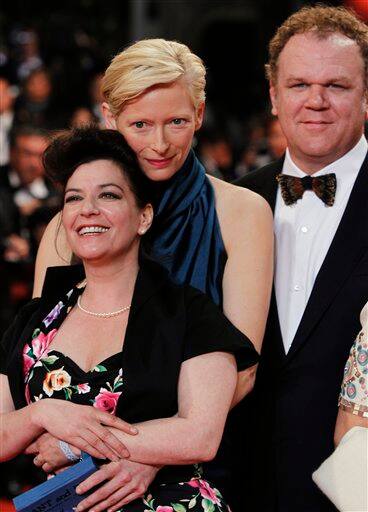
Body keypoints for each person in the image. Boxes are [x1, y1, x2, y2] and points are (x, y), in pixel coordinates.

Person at [32, 38, 273, 511]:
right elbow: (40, 360)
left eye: (176, 122)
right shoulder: (69, 226)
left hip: (196, 472)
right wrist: (97, 448)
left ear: (200, 115)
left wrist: (152, 452)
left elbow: (242, 372)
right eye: (140, 124)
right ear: (109, 117)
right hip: (79, 475)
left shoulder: (242, 212)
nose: (159, 144)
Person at [0, 126, 259, 512]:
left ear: (143, 217)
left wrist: (72, 442)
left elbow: (200, 434)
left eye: (108, 195)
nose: (88, 209)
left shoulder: (190, 312)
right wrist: (43, 412)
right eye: (74, 198)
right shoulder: (35, 319)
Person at [236, 5, 368, 511]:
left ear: (366, 94)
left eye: (336, 85)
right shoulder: (231, 203)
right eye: (298, 85)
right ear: (273, 95)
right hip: (242, 485)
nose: (315, 101)